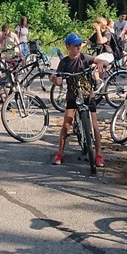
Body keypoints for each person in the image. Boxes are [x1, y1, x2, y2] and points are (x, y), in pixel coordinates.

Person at [50, 33, 106, 167]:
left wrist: (100, 64)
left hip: (87, 94)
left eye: (80, 44)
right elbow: (59, 80)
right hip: (72, 95)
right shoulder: (64, 62)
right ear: (68, 47)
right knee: (66, 124)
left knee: (94, 125)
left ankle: (98, 155)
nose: (79, 47)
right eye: (76, 45)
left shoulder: (84, 57)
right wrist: (54, 79)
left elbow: (99, 60)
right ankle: (60, 153)